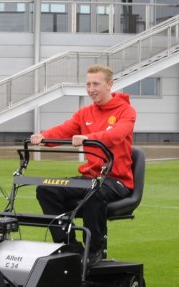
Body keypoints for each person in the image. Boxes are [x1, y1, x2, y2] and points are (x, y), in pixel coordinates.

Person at [29, 65, 136, 266]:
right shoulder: (85, 113)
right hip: (90, 178)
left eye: (96, 84)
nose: (91, 89)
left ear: (109, 84)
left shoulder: (126, 111)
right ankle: (69, 246)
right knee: (46, 190)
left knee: (94, 192)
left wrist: (89, 138)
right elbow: (64, 130)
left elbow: (116, 135)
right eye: (88, 84)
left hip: (116, 180)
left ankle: (94, 250)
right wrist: (43, 136)